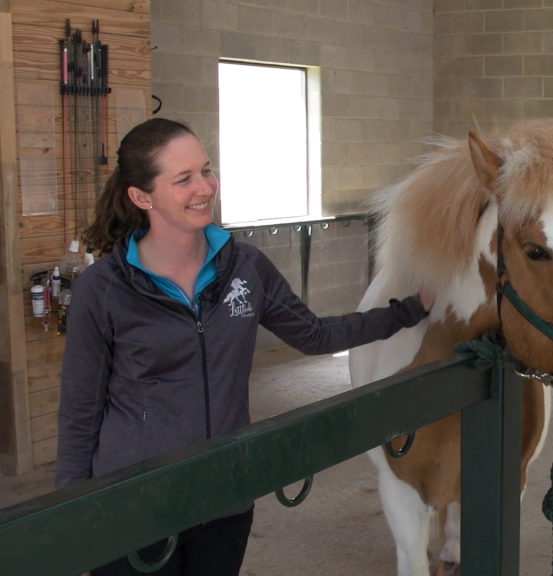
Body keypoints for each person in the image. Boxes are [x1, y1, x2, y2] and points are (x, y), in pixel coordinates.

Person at [55, 117, 434, 576]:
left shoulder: (244, 267)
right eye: (184, 179)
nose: (205, 187)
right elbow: (80, 410)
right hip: (135, 506)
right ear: (141, 196)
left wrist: (409, 309)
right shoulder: (104, 289)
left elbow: (314, 334)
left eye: (206, 170)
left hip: (224, 496)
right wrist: (68, 525)